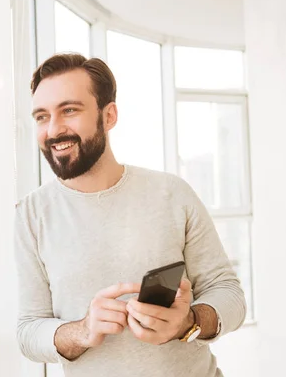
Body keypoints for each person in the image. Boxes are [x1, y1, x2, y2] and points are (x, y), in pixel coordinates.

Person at [14, 53, 247, 377]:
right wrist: (82, 331)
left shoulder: (172, 193)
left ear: (109, 116)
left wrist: (189, 322)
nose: (54, 129)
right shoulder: (31, 215)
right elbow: (28, 331)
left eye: (69, 110)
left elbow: (229, 293)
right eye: (42, 116)